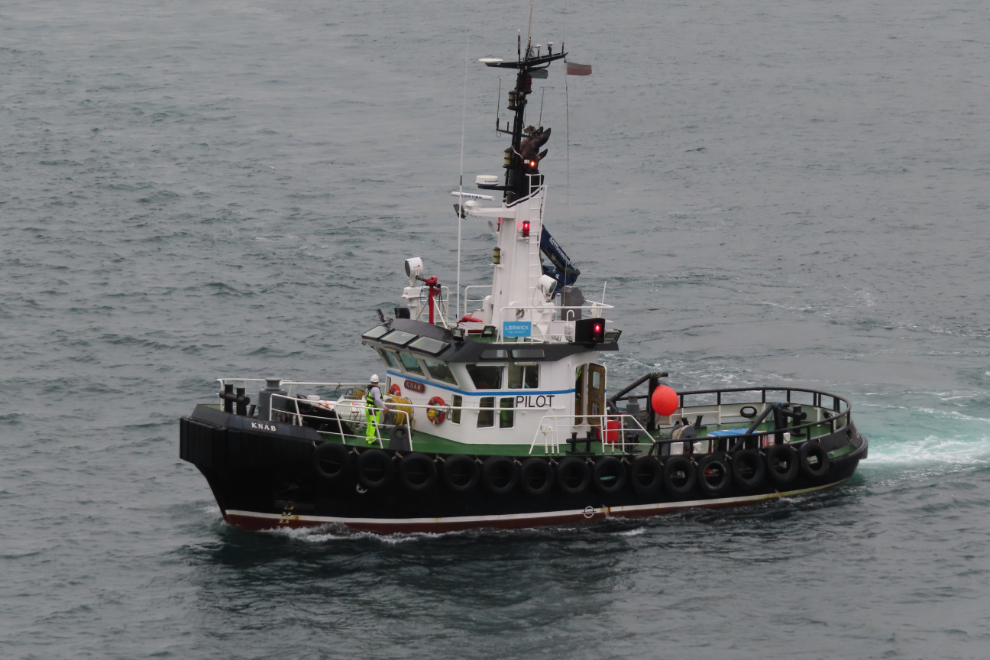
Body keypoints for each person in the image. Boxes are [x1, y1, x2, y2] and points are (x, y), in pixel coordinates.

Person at [365, 374, 389, 444]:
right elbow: (378, 399)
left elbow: (367, 397)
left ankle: (368, 437)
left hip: (368, 407)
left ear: (371, 381)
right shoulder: (376, 389)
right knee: (373, 424)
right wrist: (384, 407)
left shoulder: (368, 388)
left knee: (369, 423)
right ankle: (372, 440)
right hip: (373, 410)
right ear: (378, 382)